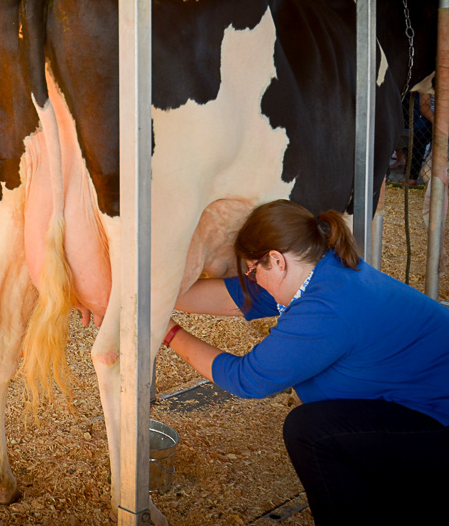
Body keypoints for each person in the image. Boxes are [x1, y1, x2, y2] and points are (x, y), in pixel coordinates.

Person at [165, 199, 449, 524]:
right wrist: (141, 295)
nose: (251, 280)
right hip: (427, 403)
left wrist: (170, 333)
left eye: (252, 271)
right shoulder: (323, 268)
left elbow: (246, 379)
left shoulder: (326, 309)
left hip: (439, 426)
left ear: (276, 260)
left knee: (311, 432)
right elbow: (231, 300)